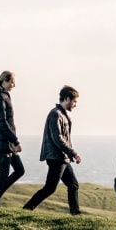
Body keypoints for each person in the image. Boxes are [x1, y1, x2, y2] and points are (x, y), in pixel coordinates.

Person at [23, 85, 81, 214]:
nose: (75, 105)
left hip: (62, 157)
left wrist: (70, 154)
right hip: (56, 157)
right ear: (67, 98)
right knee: (50, 188)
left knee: (73, 185)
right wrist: (73, 153)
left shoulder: (62, 114)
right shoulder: (55, 114)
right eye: (74, 101)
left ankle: (76, 214)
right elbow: (57, 138)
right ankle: (27, 209)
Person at [0, 71, 24, 206]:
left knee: (19, 170)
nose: (14, 85)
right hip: (5, 140)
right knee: (4, 173)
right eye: (12, 82)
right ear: (4, 81)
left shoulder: (1, 96)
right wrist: (16, 141)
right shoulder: (0, 97)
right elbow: (2, 123)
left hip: (4, 140)